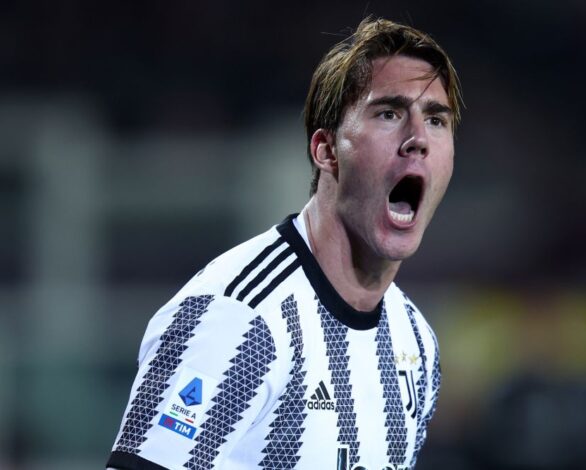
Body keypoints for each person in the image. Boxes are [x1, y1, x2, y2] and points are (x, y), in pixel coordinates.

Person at [107, 16, 462, 470]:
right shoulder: (238, 319)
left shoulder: (414, 341)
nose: (417, 140)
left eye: (436, 120)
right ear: (326, 149)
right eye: (389, 113)